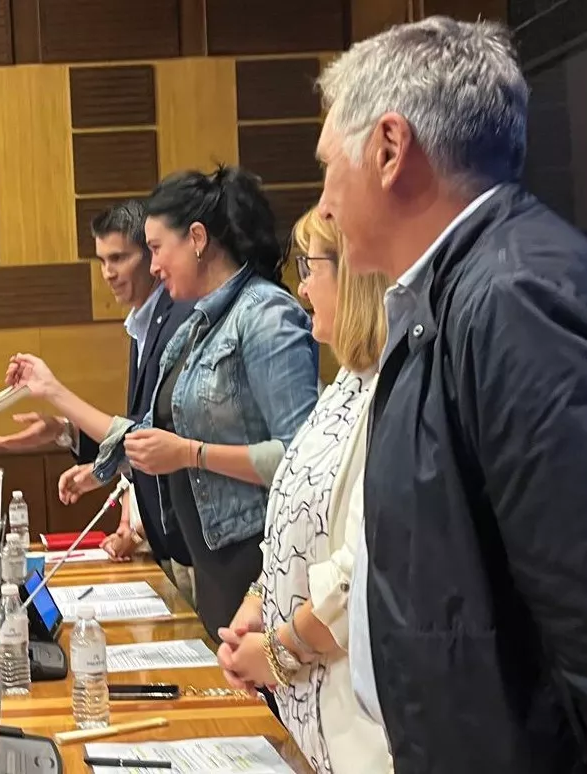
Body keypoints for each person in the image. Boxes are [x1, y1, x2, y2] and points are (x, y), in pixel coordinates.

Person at [315, 17, 587, 772]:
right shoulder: (462, 294)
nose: (323, 206)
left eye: (326, 169)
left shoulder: (515, 300)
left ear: (388, 148)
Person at [5, 166, 320, 635]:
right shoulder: (197, 327)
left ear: (196, 238)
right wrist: (55, 396)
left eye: (155, 249)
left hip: (257, 556)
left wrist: (192, 454)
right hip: (211, 558)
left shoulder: (268, 315)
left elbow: (301, 460)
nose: (152, 266)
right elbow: (143, 435)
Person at [215, 210, 393, 773]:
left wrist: (277, 652)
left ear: (357, 275)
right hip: (312, 720)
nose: (301, 286)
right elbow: (294, 514)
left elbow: (358, 570)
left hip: (362, 727)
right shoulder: (345, 380)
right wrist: (255, 605)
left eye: (310, 267)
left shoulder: (393, 391)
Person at [0, 200, 195, 590]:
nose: (108, 273)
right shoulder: (144, 324)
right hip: (165, 538)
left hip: (189, 541)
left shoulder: (179, 319)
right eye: (101, 260)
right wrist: (63, 431)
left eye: (119, 258)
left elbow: (151, 436)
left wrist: (53, 391)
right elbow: (139, 432)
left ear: (151, 255)